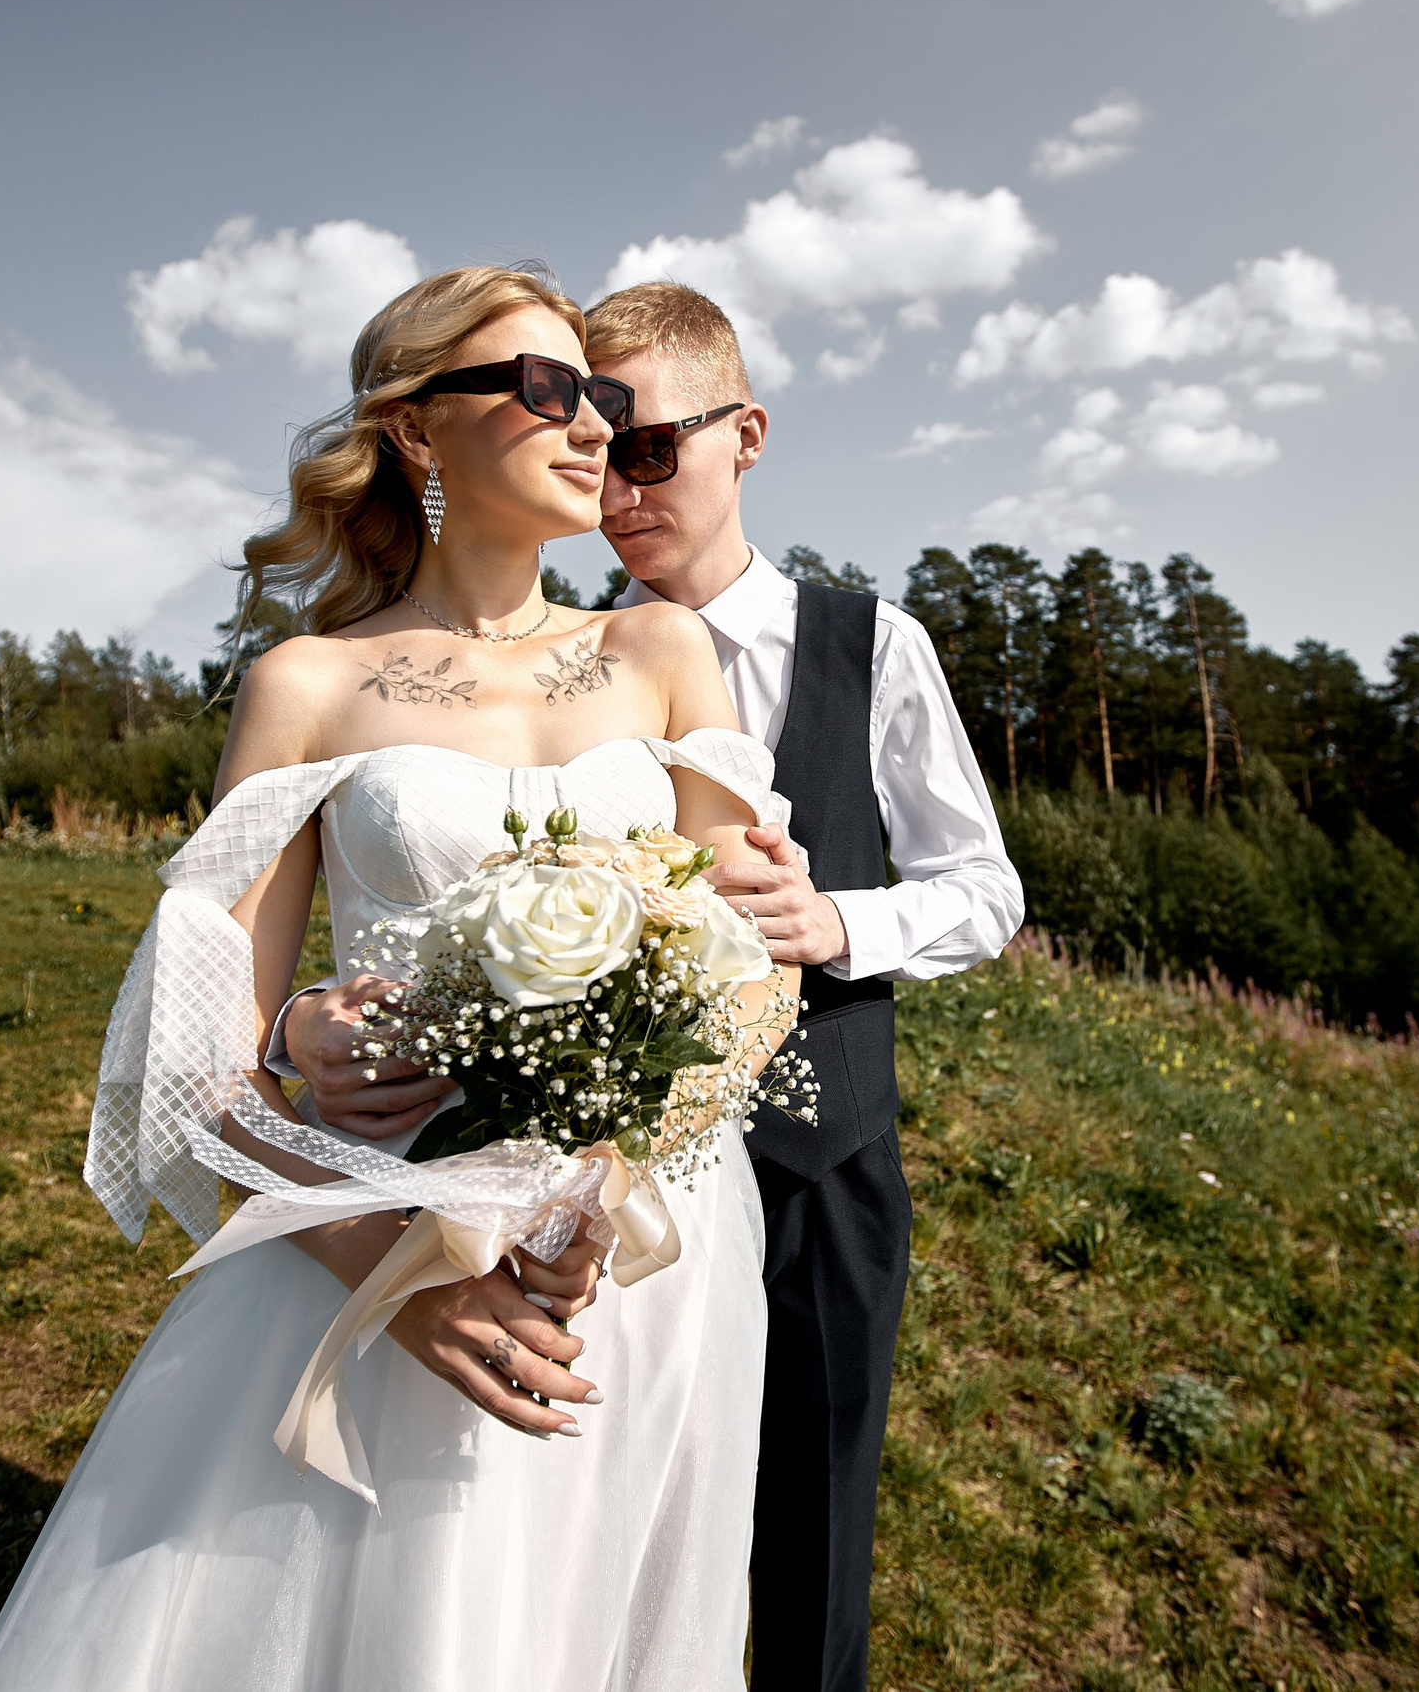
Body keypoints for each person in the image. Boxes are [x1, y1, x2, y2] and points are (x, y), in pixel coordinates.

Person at [0, 264, 800, 1692]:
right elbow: (199, 1065)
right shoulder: (306, 681)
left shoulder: (662, 652)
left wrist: (609, 1181)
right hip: (391, 1221)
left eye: (598, 392)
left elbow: (747, 979)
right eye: (543, 388)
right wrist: (396, 1281)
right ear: (417, 431)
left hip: (655, 1250)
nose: (592, 422)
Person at [281, 281, 1024, 1692]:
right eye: (579, 421)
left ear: (744, 436)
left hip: (814, 1165)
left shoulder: (876, 648)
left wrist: (835, 924)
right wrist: (307, 1021)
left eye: (641, 442)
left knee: (809, 1529)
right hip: (500, 1187)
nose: (612, 481)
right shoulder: (579, 655)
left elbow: (987, 889)